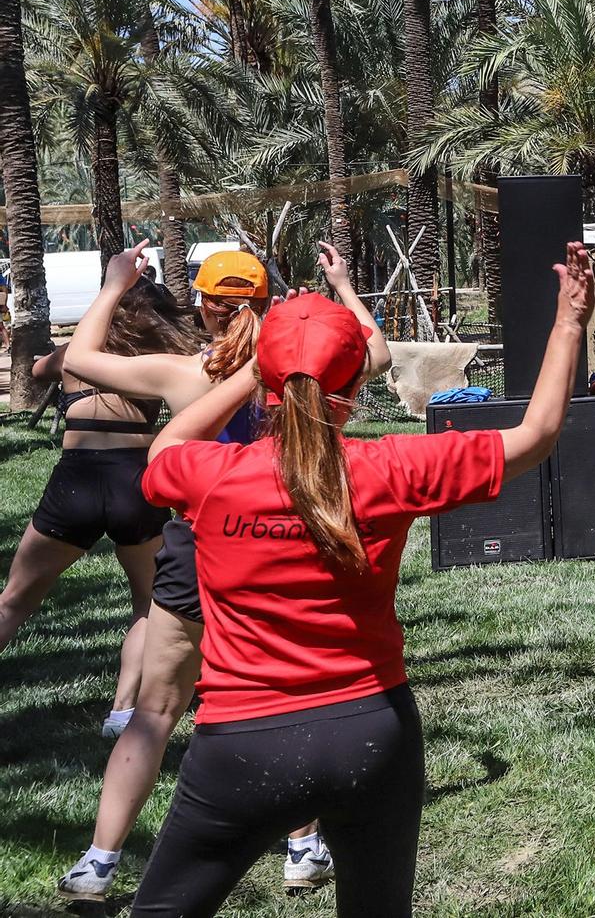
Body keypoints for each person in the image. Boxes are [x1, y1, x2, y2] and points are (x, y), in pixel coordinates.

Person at [123, 243, 592, 917]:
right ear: (355, 382)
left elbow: (164, 451)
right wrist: (569, 320)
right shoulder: (390, 468)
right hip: (372, 733)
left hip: (242, 744)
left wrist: (255, 371)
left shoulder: (208, 476)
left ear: (270, 379)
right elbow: (538, 432)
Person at [56, 242, 384, 903]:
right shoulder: (302, 374)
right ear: (265, 302)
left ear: (206, 306)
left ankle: (100, 859)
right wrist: (344, 286)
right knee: (289, 697)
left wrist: (117, 284)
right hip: (275, 542)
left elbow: (77, 360)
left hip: (194, 540)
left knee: (155, 709)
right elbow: (375, 353)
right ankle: (300, 847)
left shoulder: (185, 374)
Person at [0, 274, 201, 735]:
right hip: (136, 480)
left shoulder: (78, 357)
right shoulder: (161, 359)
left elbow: (35, 371)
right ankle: (122, 711)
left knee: (14, 600)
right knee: (148, 603)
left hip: (77, 478)